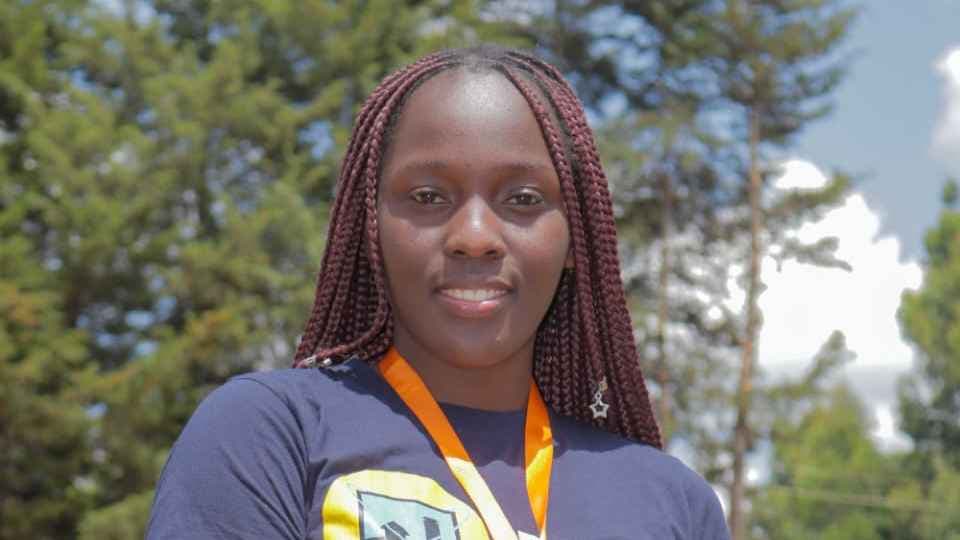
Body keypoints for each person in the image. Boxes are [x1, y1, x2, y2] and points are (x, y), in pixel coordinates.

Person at [146, 45, 730, 540]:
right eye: (428, 197)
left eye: (522, 200)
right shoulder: (270, 434)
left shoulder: (672, 502)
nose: (474, 238)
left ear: (576, 236)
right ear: (368, 225)